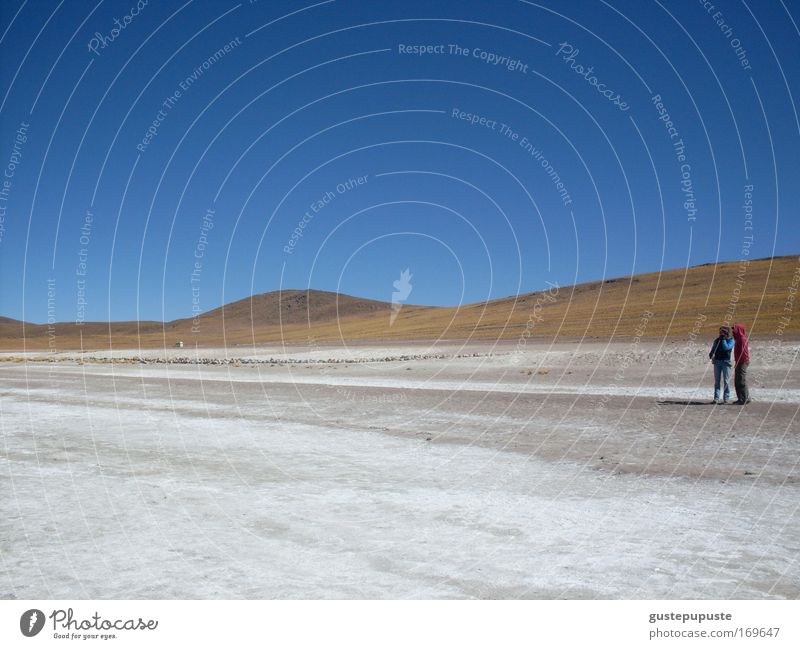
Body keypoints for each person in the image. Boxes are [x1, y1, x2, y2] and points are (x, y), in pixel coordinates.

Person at [709, 326, 734, 404]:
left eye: (722, 332)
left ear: (727, 332)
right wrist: (711, 353)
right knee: (717, 381)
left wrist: (723, 340)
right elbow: (713, 349)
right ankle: (716, 398)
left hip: (726, 362)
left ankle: (726, 398)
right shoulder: (717, 340)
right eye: (720, 332)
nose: (721, 333)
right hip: (717, 362)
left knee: (726, 381)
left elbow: (727, 348)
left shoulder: (731, 340)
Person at [732, 323, 751, 404]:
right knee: (737, 380)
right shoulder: (738, 339)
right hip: (739, 362)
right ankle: (741, 398)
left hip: (742, 362)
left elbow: (744, 353)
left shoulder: (742, 339)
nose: (733, 331)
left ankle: (744, 398)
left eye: (735, 329)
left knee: (741, 380)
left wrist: (739, 362)